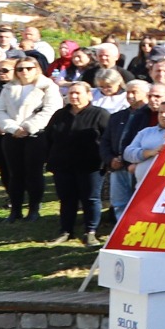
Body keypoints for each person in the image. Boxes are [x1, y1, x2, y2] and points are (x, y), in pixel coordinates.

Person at [0, 57, 61, 221]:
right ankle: (15, 210)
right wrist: (13, 128)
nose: (24, 72)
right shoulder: (9, 87)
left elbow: (51, 110)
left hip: (36, 135)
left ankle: (34, 209)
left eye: (29, 68)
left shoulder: (47, 86)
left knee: (34, 173)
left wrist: (28, 128)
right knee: (15, 173)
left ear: (37, 69)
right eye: (20, 69)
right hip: (12, 135)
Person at [41, 77, 110, 243]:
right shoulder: (60, 114)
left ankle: (90, 231)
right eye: (71, 93)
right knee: (67, 199)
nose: (74, 97)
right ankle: (66, 230)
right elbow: (49, 137)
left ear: (89, 95)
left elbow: (108, 138)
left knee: (90, 199)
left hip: (90, 165)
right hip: (63, 164)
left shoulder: (100, 114)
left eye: (78, 93)